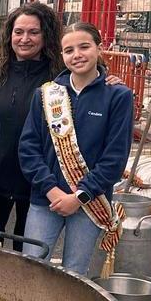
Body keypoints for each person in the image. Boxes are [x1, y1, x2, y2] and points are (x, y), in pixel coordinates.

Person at [18, 22, 134, 276]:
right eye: (69, 50)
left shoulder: (118, 96)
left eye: (84, 47)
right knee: (32, 268)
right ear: (62, 55)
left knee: (75, 274)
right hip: (46, 199)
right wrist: (50, 190)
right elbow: (28, 149)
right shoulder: (46, 95)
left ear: (99, 48)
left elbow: (114, 159)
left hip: (89, 202)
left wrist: (79, 196)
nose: (77, 55)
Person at [0, 3, 63, 249]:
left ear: (46, 35)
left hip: (38, 183)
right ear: (10, 35)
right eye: (19, 32)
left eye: (33, 32)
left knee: (27, 256)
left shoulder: (60, 77)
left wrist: (104, 76)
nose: (25, 39)